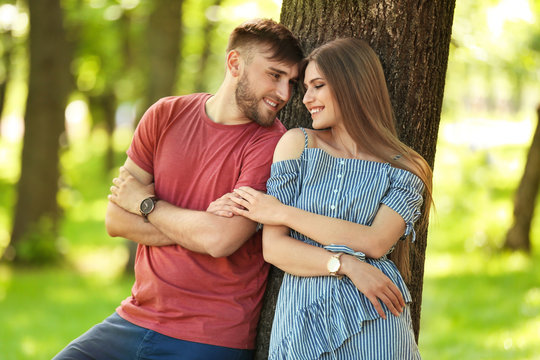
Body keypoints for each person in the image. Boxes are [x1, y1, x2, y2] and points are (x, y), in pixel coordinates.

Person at [52, 18, 303, 360]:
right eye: (274, 75)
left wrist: (147, 205)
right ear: (235, 63)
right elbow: (116, 220)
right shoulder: (165, 114)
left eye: (291, 82)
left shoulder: (272, 143)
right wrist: (198, 225)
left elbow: (220, 240)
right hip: (133, 319)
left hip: (209, 335)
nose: (284, 94)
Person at [218, 38, 433, 359]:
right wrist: (345, 264)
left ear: (353, 85)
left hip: (376, 323)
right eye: (305, 88)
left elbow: (375, 242)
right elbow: (274, 248)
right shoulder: (299, 145)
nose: (306, 99)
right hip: (302, 323)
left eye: (317, 86)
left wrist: (283, 213)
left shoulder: (406, 168)